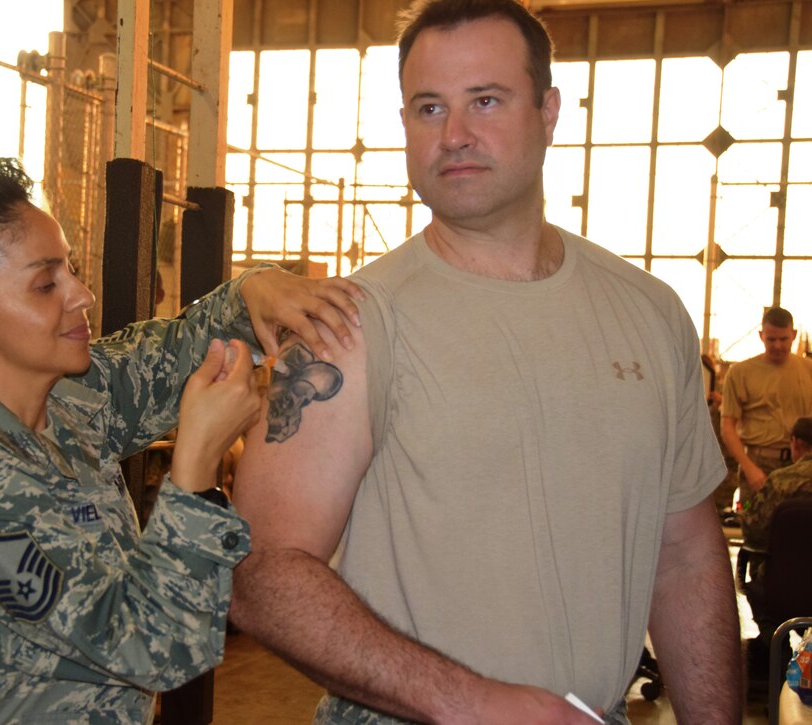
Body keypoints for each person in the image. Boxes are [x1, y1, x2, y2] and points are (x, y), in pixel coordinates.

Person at [229, 1, 741, 723]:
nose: (455, 135)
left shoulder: (651, 313)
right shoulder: (347, 325)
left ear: (550, 110)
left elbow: (685, 553)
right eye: (428, 108)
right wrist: (469, 703)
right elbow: (260, 571)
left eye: (487, 101)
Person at [0, 157, 363, 723]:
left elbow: (174, 354)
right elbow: (148, 648)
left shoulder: (66, 398)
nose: (82, 295)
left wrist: (255, 289)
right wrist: (194, 468)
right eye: (46, 284)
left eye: (70, 270)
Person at [721, 306, 812, 507]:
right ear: (761, 336)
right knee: (754, 528)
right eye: (771, 339)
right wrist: (749, 468)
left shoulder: (808, 369)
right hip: (758, 464)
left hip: (803, 464)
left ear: (794, 335)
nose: (778, 345)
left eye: (783, 339)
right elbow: (728, 427)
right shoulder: (739, 373)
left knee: (801, 531)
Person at [740, 417, 812, 646]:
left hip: (784, 591)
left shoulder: (780, 480)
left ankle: (776, 656)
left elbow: (754, 532)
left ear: (795, 443)